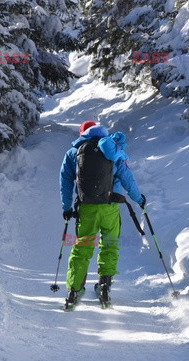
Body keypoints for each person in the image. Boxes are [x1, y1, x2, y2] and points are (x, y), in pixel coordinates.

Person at [59, 120, 145, 307]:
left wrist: (67, 208)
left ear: (83, 134)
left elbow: (65, 182)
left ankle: (74, 290)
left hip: (87, 208)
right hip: (110, 207)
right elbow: (127, 178)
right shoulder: (112, 150)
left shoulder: (74, 153)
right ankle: (104, 286)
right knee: (110, 245)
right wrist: (138, 199)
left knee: (82, 248)